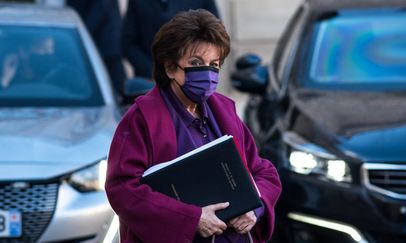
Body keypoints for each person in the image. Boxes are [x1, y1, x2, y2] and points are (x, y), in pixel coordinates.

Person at [105, 9, 281, 243]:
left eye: (214, 64)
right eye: (196, 63)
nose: (207, 74)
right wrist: (192, 218)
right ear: (169, 68)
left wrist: (254, 208)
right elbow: (123, 189)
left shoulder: (225, 111)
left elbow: (263, 172)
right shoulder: (141, 118)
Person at [122, 0, 220, 79]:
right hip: (149, 81)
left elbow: (216, 37)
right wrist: (152, 71)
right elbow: (128, 43)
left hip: (194, 78)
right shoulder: (137, 2)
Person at [67, 0, 126, 96]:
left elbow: (101, 7)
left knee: (119, 93)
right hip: (81, 47)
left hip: (104, 47)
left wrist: (81, 33)